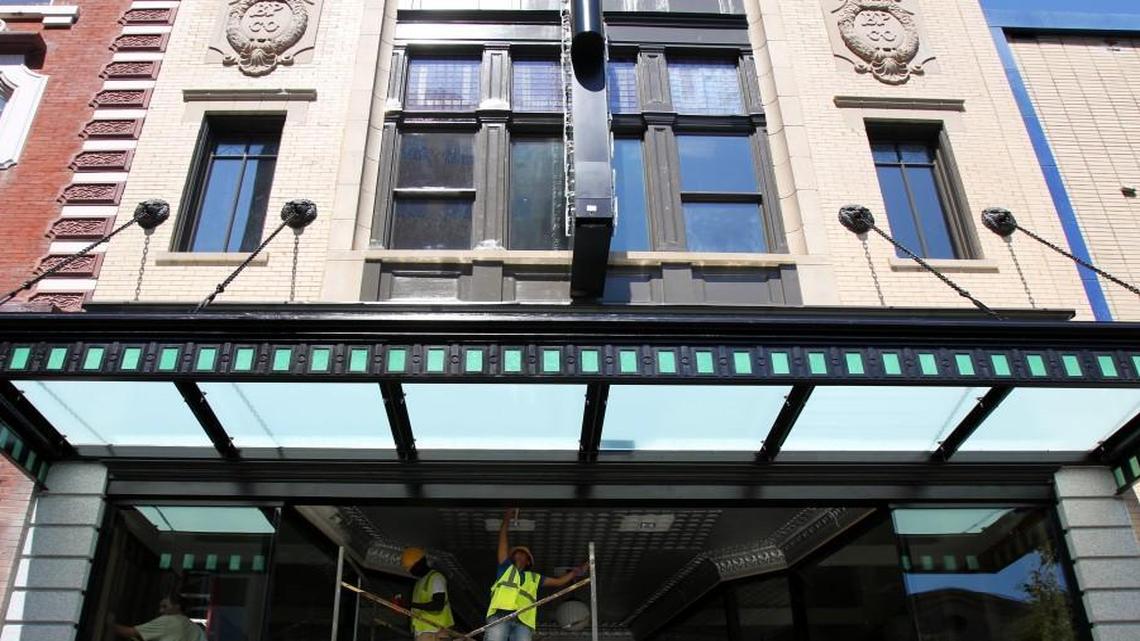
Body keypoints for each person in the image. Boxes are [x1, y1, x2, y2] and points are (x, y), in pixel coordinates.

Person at [485, 509, 587, 641]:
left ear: (528, 561)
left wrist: (578, 571)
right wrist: (506, 519)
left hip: (523, 621)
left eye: (524, 554)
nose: (521, 555)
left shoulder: (534, 578)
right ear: (512, 556)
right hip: (500, 615)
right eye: (518, 552)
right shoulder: (505, 568)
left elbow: (559, 582)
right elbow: (503, 542)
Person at [401, 547, 454, 640]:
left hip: (436, 631)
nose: (410, 572)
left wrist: (410, 604)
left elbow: (438, 605)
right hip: (423, 632)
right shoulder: (419, 583)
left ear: (420, 563)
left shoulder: (436, 578)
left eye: (411, 568)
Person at [108, 593, 206, 641]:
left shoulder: (169, 621)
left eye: (165, 606)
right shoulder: (197, 630)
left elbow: (129, 632)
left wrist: (107, 622)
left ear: (177, 607)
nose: (161, 611)